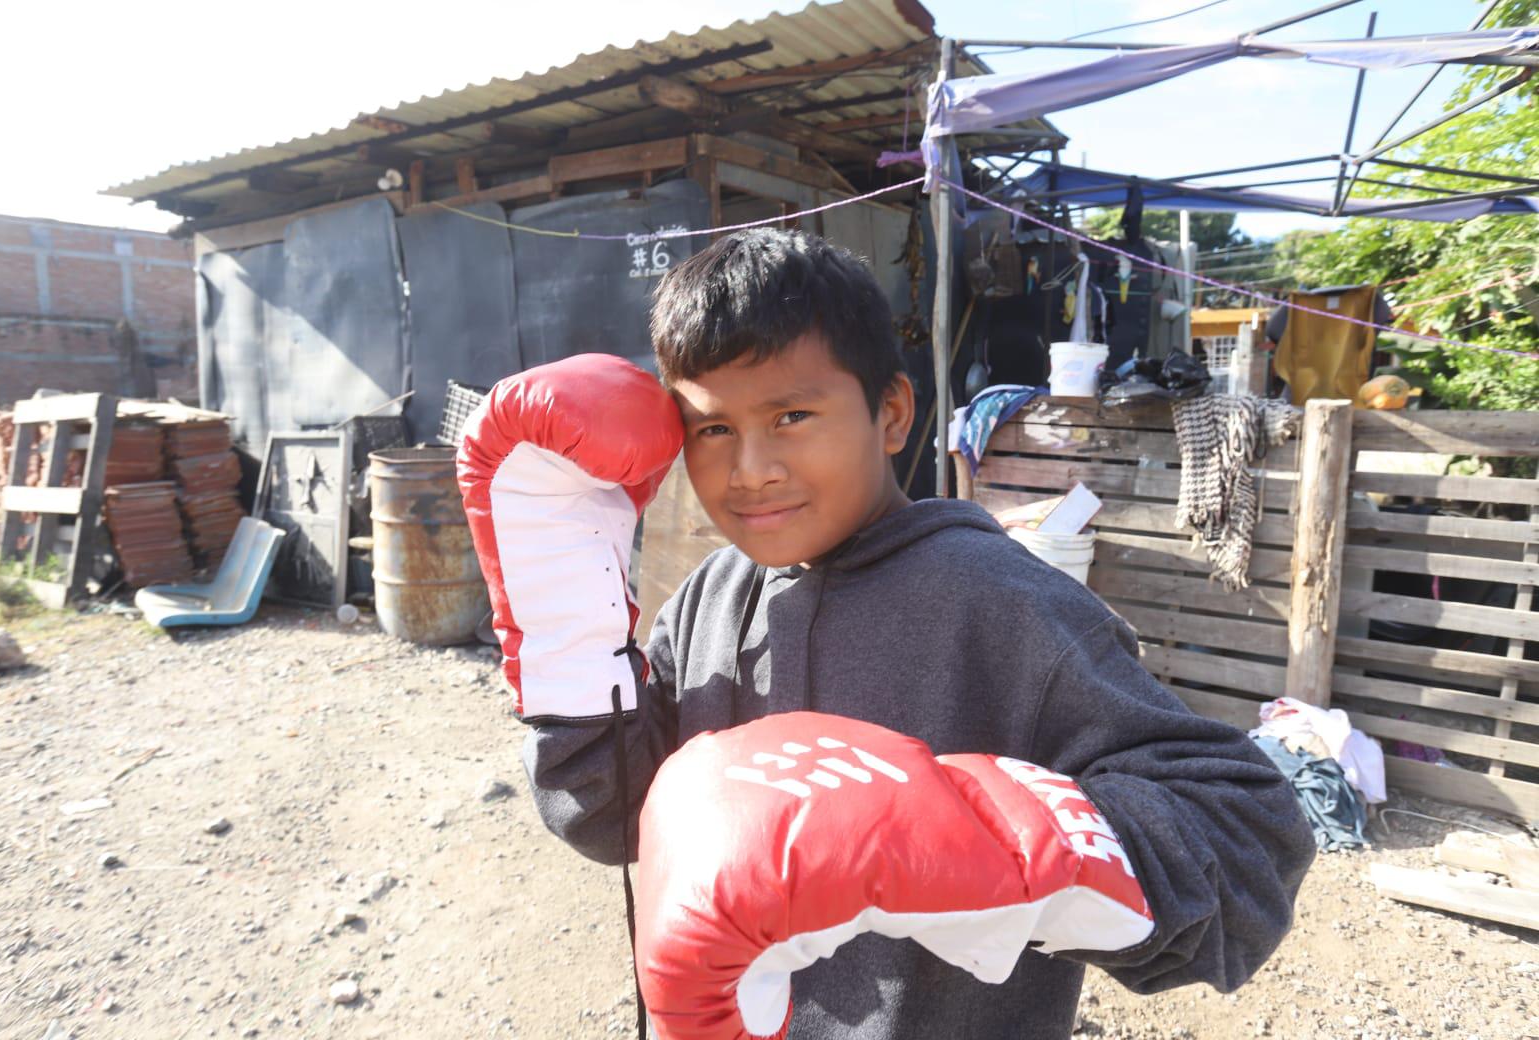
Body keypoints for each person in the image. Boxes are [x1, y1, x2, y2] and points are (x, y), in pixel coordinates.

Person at [457, 228, 1314, 1040]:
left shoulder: (1002, 604)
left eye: (791, 415)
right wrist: (568, 643)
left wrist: (1000, 842)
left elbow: (1248, 839)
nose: (751, 469)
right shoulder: (708, 599)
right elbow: (615, 821)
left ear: (893, 414)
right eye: (713, 428)